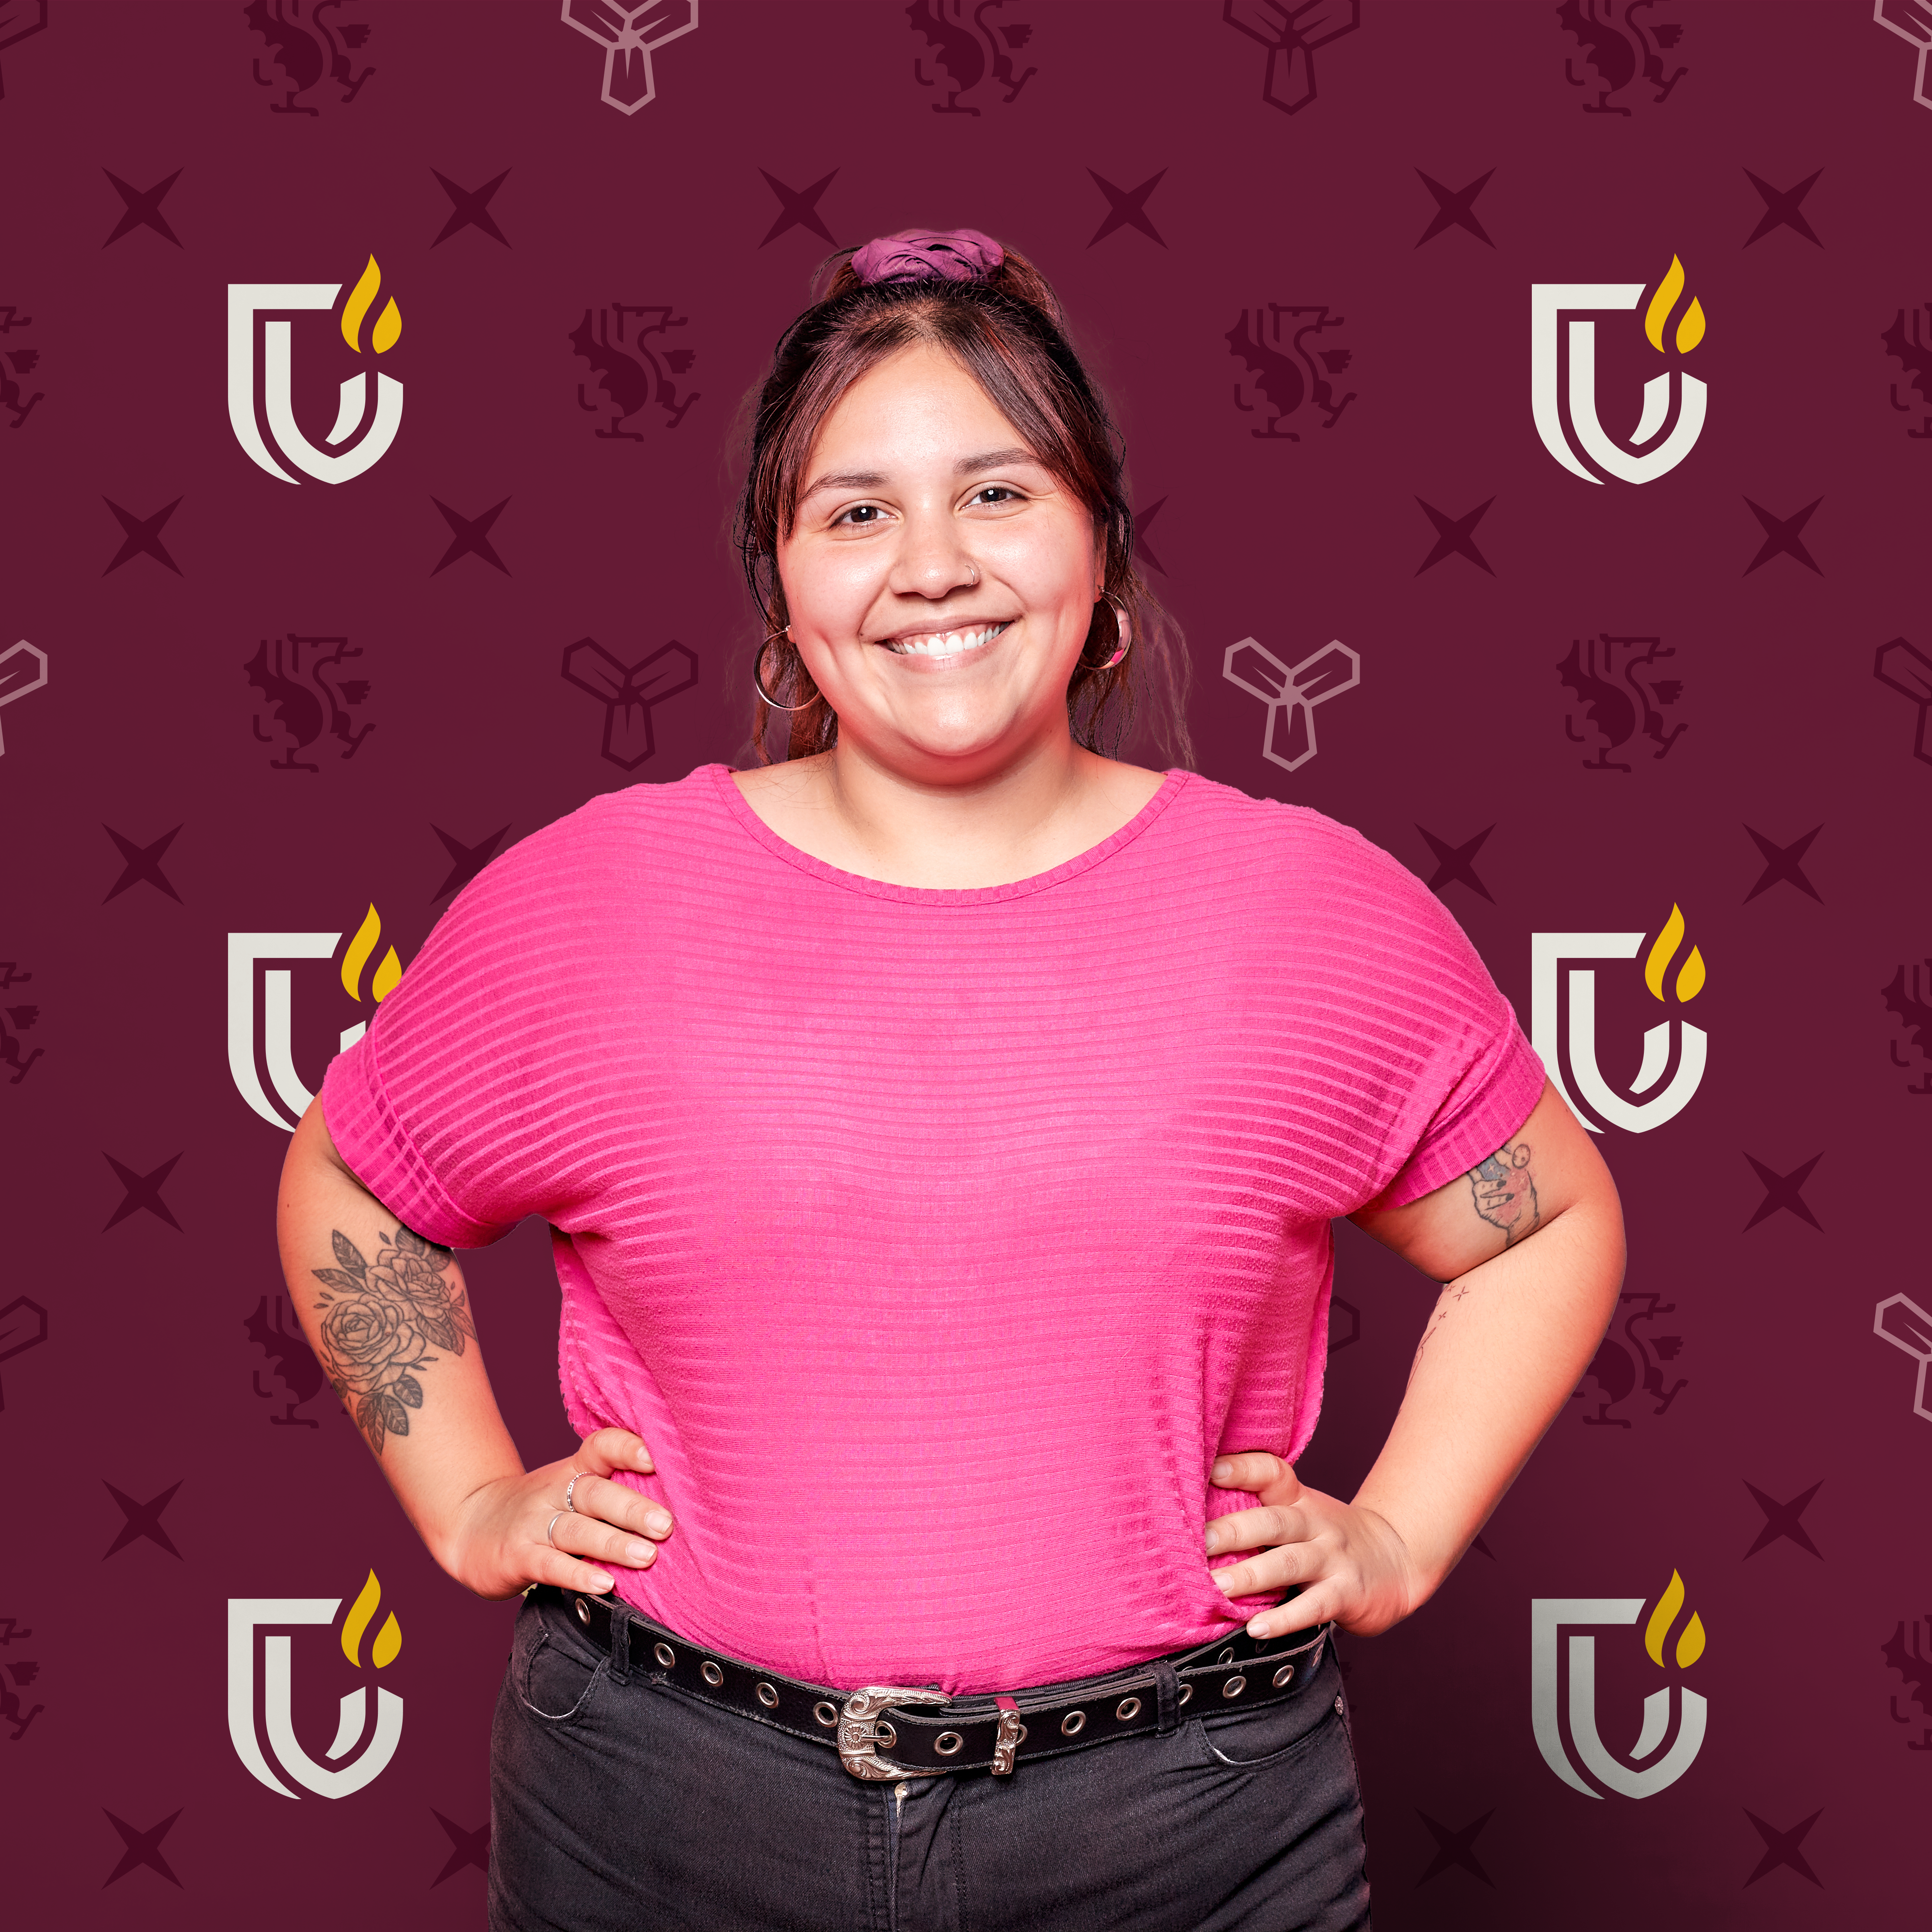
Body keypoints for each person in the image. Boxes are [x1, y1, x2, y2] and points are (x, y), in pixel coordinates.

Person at [277, 228, 1625, 1931]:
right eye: (855, 511)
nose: (930, 565)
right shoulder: (590, 903)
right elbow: (358, 1182)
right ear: (781, 591)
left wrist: (1402, 1534)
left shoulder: (1308, 915)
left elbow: (1540, 1221)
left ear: (1099, 552)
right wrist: (469, 1495)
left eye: (996, 492)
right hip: (665, 1808)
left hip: (1183, 1822)